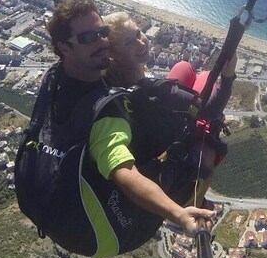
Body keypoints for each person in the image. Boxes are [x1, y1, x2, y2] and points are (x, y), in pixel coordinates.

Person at [29, 0, 214, 257]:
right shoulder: (105, 108)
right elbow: (123, 172)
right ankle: (192, 195)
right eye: (87, 38)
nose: (101, 42)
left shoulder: (55, 78)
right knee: (209, 140)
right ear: (64, 47)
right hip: (106, 233)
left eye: (102, 32)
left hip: (57, 209)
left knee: (185, 73)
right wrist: (178, 214)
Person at [101, 11, 237, 206]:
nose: (140, 43)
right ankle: (194, 197)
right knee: (207, 77)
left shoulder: (112, 78)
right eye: (128, 42)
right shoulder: (156, 92)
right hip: (170, 152)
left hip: (149, 132)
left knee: (184, 67)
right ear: (113, 54)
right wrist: (228, 77)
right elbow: (211, 110)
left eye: (138, 34)